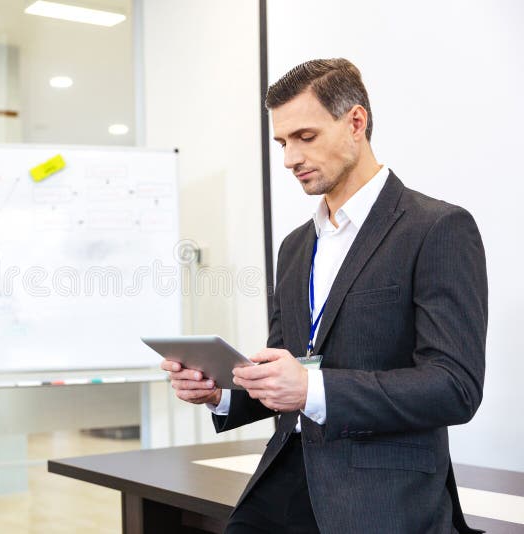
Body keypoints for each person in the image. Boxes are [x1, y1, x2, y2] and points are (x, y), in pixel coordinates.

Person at [161, 58, 487, 533]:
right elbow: (289, 367)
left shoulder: (437, 228)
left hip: (379, 494)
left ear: (356, 123)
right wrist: (221, 394)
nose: (290, 159)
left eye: (305, 137)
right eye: (282, 143)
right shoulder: (295, 246)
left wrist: (312, 389)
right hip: (284, 477)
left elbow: (454, 387)